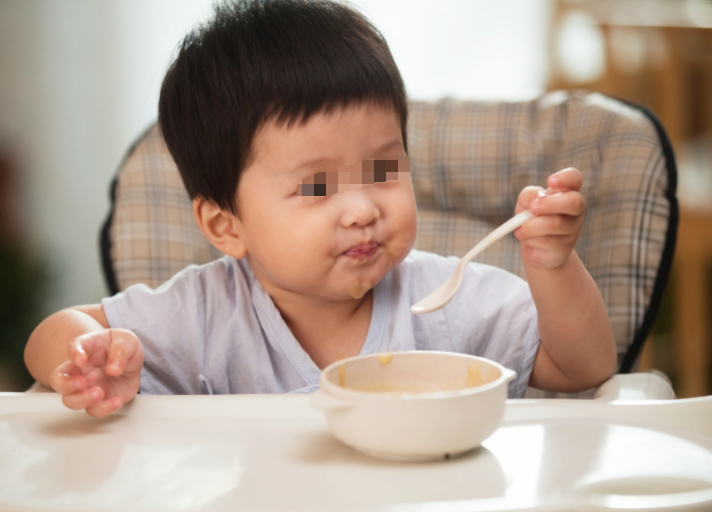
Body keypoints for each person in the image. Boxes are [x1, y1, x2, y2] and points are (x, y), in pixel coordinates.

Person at [24, 0, 616, 418]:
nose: (362, 208)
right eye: (316, 187)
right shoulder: (204, 315)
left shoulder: (450, 303)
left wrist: (553, 267)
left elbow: (582, 369)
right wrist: (90, 360)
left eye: (385, 171)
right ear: (225, 226)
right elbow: (54, 333)